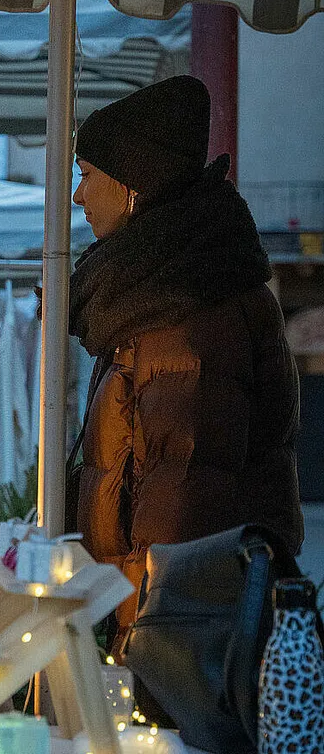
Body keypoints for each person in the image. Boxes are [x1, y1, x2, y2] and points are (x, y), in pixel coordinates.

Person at [68, 74, 303, 652]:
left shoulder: (181, 312)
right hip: (167, 607)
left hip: (177, 625)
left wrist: (141, 634)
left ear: (131, 187)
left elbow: (181, 493)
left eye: (87, 176)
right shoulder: (163, 291)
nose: (77, 196)